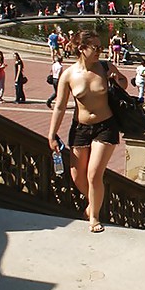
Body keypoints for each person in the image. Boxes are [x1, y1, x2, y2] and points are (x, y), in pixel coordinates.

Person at [48, 30, 126, 233]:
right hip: (80, 128)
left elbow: (124, 84)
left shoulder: (105, 66)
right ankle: (95, 200)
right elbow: (59, 106)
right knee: (77, 177)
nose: (101, 51)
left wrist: (116, 78)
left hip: (105, 126)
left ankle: (94, 216)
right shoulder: (69, 75)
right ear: (82, 49)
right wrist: (52, 134)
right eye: (96, 47)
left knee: (93, 174)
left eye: (101, 47)